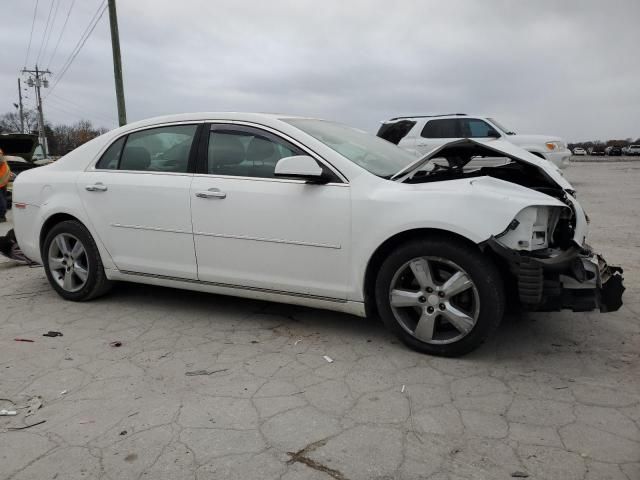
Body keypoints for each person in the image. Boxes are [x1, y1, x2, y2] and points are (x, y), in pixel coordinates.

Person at [0, 147, 10, 222]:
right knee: (3, 197)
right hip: (4, 178)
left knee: (1, 199)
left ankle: (2, 216)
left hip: (1, 178)